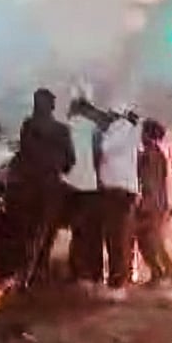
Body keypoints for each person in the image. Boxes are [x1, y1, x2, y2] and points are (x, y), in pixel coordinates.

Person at [2, 88, 75, 286]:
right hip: (50, 187)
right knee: (45, 230)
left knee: (25, 231)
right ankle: (38, 270)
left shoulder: (28, 125)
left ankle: (22, 272)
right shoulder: (62, 130)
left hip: (27, 187)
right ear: (52, 106)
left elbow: (24, 154)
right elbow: (70, 161)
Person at [96, 106, 141, 302]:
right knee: (119, 238)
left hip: (118, 192)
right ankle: (121, 280)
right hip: (120, 192)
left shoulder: (120, 128)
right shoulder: (128, 129)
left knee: (117, 239)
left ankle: (117, 286)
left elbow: (106, 149)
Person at [135, 118, 172, 293]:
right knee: (146, 242)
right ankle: (159, 275)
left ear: (147, 134)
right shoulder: (154, 153)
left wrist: (146, 204)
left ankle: (171, 278)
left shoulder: (151, 155)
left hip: (154, 206)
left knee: (155, 243)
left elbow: (151, 182)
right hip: (157, 204)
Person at [64, 98, 104, 289]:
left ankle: (75, 271)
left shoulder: (64, 128)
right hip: (89, 186)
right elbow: (100, 156)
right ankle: (91, 275)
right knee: (90, 232)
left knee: (76, 230)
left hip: (67, 187)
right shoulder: (95, 130)